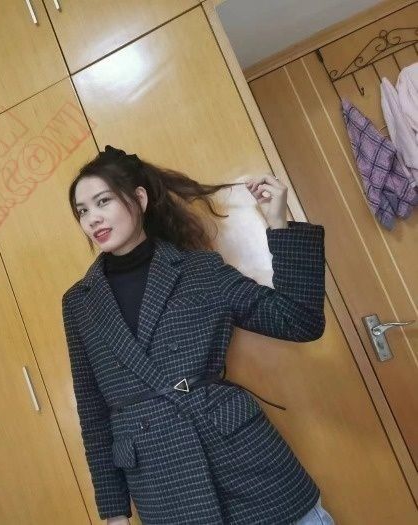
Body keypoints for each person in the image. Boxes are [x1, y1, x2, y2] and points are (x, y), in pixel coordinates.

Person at [61, 146, 334, 524]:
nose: (92, 218)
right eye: (82, 211)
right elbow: (93, 411)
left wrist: (279, 225)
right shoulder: (80, 302)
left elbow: (298, 321)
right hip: (164, 486)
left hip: (245, 466)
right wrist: (114, 511)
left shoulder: (199, 270)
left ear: (139, 198)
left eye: (103, 201)